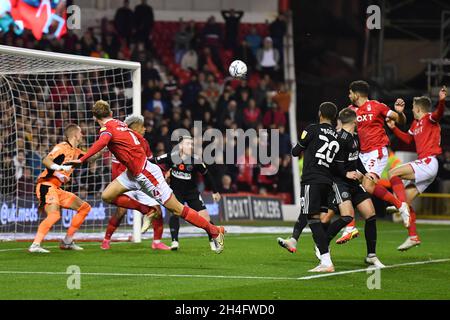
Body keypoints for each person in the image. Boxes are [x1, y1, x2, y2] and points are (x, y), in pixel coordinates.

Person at [65, 100, 225, 253]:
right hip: (131, 174)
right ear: (111, 112)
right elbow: (138, 138)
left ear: (94, 118)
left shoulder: (107, 130)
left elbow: (102, 142)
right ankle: (147, 209)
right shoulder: (120, 124)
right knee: (107, 196)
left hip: (145, 174)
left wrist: (81, 160)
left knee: (177, 209)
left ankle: (215, 231)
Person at [337, 80, 410, 243]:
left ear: (356, 94)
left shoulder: (378, 106)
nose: (348, 96)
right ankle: (350, 226)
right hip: (360, 155)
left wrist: (400, 113)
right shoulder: (350, 111)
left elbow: (401, 120)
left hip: (376, 151)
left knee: (368, 186)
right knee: (349, 184)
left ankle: (400, 205)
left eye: (350, 93)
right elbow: (341, 129)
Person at [278, 102, 340, 273]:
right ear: (334, 117)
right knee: (313, 217)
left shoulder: (312, 129)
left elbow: (295, 151)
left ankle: (325, 259)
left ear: (320, 114)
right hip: (327, 181)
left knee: (313, 220)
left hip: (312, 178)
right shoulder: (336, 135)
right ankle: (298, 242)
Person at [321, 108, 384, 268]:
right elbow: (332, 163)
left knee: (371, 214)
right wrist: (346, 173)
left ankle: (371, 255)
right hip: (339, 182)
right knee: (347, 217)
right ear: (355, 121)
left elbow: (356, 160)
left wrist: (366, 173)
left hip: (353, 182)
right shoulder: (339, 139)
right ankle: (322, 245)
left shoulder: (354, 137)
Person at [386, 86, 447, 251]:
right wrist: (393, 128)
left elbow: (439, 113)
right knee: (406, 199)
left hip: (429, 161)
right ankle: (413, 236)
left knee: (393, 172)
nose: (412, 110)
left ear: (419, 108)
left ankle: (398, 204)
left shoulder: (429, 118)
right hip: (427, 166)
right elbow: (407, 140)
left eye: (413, 108)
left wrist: (441, 101)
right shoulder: (415, 123)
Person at [101, 115, 170, 251]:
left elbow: (150, 163)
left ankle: (156, 242)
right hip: (126, 181)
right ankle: (106, 239)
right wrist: (120, 186)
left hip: (142, 181)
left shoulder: (143, 142)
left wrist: (162, 175)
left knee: (157, 209)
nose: (145, 128)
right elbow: (116, 169)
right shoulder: (120, 142)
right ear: (134, 127)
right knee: (120, 211)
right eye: (142, 126)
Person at [149, 136, 221, 251]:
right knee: (175, 214)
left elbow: (207, 175)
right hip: (177, 192)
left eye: (191, 144)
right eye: (188, 144)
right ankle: (174, 241)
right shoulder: (171, 156)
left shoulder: (195, 160)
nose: (191, 146)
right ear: (180, 146)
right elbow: (154, 161)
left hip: (192, 193)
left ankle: (212, 240)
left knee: (205, 218)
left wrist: (215, 191)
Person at [28, 124, 92, 253]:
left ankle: (67, 241)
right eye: (80, 133)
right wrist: (60, 169)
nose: (82, 135)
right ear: (75, 135)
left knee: (85, 208)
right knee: (54, 215)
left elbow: (91, 156)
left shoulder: (77, 152)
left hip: (57, 189)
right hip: (46, 184)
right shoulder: (62, 147)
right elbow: (46, 160)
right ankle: (35, 245)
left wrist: (106, 147)